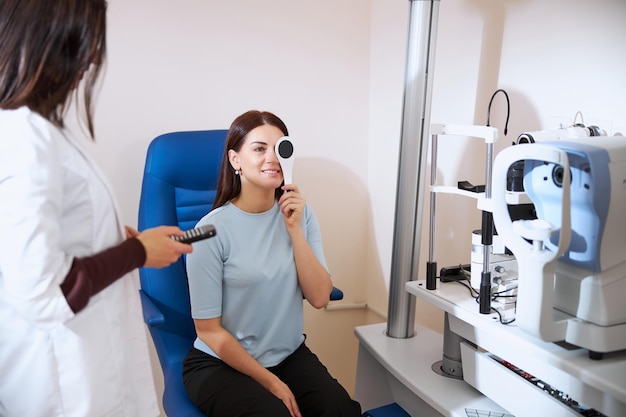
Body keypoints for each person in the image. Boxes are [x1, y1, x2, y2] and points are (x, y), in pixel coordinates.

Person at [0, 1, 193, 416]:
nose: (90, 59)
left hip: (86, 367)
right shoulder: (24, 138)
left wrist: (110, 238)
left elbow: (39, 242)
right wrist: (138, 253)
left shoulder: (39, 132)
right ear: (51, 40)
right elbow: (43, 291)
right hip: (65, 382)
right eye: (86, 43)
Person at [182, 110, 362, 417]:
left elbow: (319, 297)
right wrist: (270, 381)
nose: (272, 157)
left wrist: (294, 231)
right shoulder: (206, 233)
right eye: (259, 148)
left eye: (279, 148)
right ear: (235, 160)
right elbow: (209, 331)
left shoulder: (301, 215)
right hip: (220, 363)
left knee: (340, 410)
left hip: (288, 356)